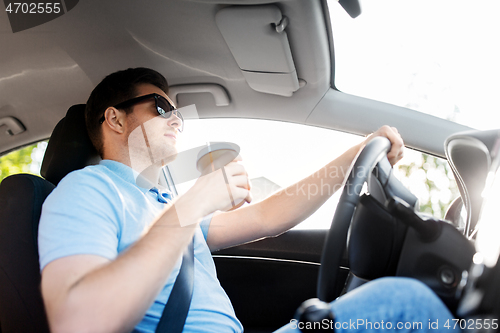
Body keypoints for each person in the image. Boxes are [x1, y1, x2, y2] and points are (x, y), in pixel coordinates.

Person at [38, 68, 456, 333]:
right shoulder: (85, 190)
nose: (177, 119)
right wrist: (193, 204)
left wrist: (355, 156)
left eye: (178, 111)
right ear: (114, 118)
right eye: (162, 107)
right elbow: (80, 322)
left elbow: (269, 215)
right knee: (405, 304)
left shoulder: (160, 201)